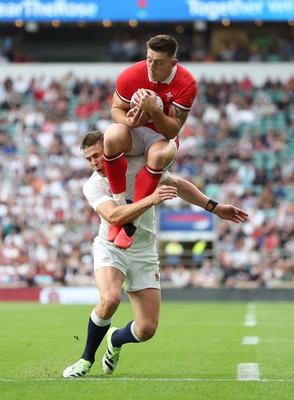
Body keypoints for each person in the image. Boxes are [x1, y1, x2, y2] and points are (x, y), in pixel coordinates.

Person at [63, 131, 248, 378]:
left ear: (109, 151)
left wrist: (214, 208)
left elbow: (179, 186)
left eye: (97, 155)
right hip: (111, 248)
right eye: (89, 159)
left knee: (147, 329)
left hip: (144, 252)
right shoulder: (93, 185)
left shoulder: (139, 166)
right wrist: (150, 199)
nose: (95, 162)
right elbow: (114, 216)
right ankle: (86, 360)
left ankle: (116, 339)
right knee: (110, 299)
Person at [103, 34, 197, 249]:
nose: (151, 66)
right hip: (135, 131)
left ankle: (131, 222)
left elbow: (173, 129)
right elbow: (116, 109)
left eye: (159, 62)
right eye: (149, 59)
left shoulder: (186, 83)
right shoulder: (131, 74)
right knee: (111, 135)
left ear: (173, 63)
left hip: (162, 137)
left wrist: (155, 111)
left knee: (158, 155)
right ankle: (120, 206)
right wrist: (128, 120)